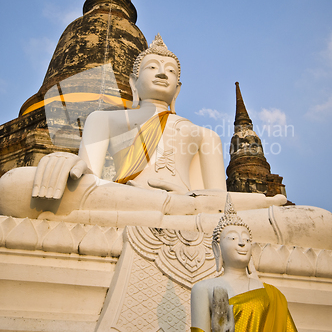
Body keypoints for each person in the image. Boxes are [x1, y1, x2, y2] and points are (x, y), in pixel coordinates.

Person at [0, 35, 286, 225]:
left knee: (315, 221)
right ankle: (173, 210)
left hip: (191, 209)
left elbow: (219, 205)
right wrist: (67, 163)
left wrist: (191, 200)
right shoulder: (104, 120)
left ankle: (177, 209)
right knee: (12, 185)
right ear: (133, 82)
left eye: (170, 71)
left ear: (178, 89)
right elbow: (88, 179)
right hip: (124, 200)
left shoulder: (203, 135)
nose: (162, 73)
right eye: (152, 67)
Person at [190, 195, 314, 332]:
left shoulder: (272, 295)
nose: (242, 243)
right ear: (217, 248)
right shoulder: (203, 289)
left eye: (247, 239)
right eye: (232, 238)